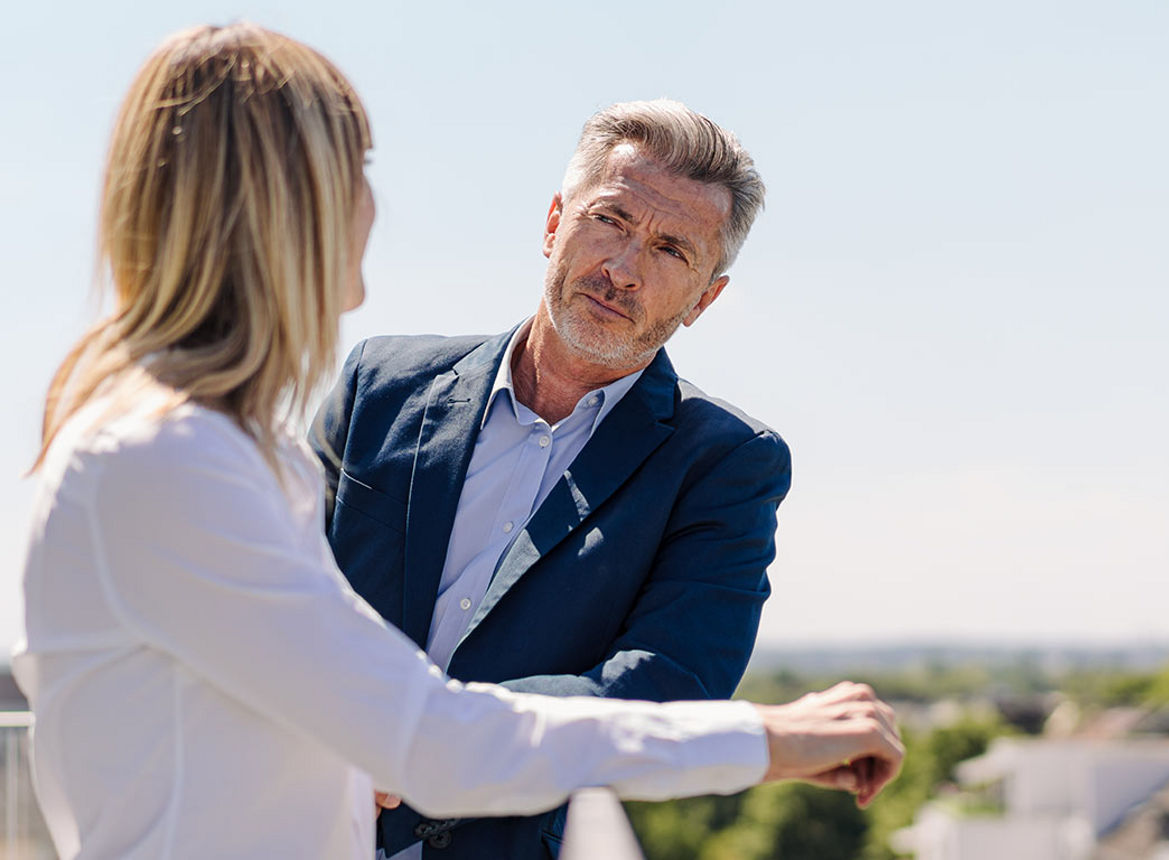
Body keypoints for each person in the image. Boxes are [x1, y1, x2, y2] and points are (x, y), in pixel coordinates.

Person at [13, 22, 903, 860]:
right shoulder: (169, 462)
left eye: (669, 249)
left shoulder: (231, 451)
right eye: (357, 167)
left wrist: (390, 729)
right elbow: (422, 736)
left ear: (707, 294)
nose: (375, 200)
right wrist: (765, 737)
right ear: (291, 211)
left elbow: (335, 695)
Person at [313, 98, 789, 859]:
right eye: (611, 221)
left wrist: (420, 737)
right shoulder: (382, 384)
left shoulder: (728, 463)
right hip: (288, 817)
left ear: (705, 299)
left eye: (671, 250)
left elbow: (662, 689)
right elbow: (282, 583)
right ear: (553, 223)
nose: (623, 270)